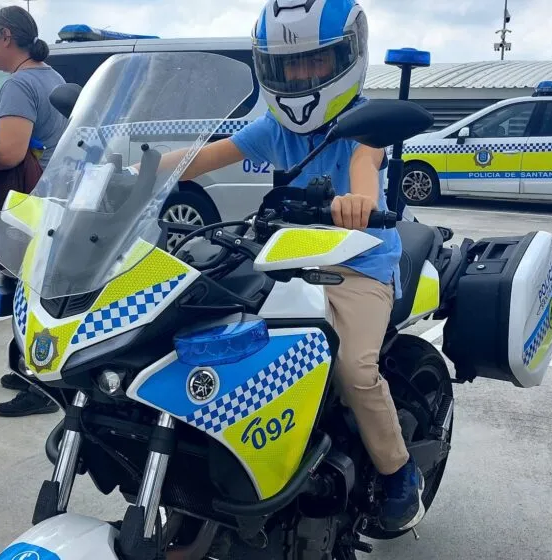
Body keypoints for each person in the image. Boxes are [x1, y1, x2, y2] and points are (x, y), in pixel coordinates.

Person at [156, 0, 424, 532]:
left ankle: (399, 472)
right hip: (289, 259)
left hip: (360, 264)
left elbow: (363, 163)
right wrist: (137, 172)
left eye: (316, 63)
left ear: (345, 59)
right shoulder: (276, 128)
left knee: (353, 368)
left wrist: (359, 204)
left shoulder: (361, 122)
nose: (301, 77)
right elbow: (209, 155)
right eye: (289, 65)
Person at [0, 5, 69, 418]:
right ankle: (29, 365)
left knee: (26, 292)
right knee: (39, 288)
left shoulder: (19, 86)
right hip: (58, 197)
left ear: (6, 37)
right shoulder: (51, 76)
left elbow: (11, 150)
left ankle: (38, 384)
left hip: (31, 200)